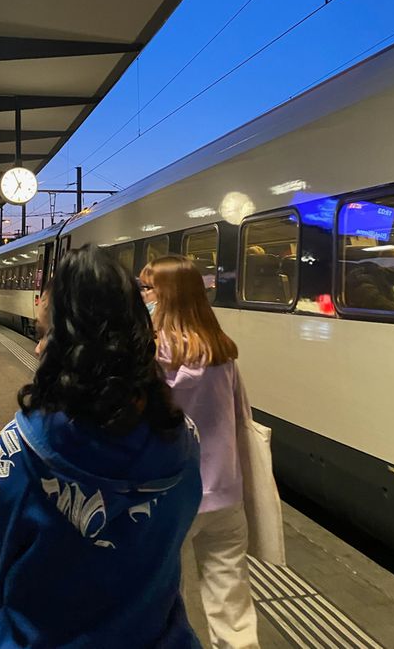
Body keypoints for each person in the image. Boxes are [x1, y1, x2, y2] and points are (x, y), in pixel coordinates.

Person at [0, 245, 202, 649]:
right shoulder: (184, 439)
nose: (38, 348)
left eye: (45, 336)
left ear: (66, 347)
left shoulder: (18, 451)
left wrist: (4, 462)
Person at [142, 255, 260, 649]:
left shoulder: (153, 355)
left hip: (171, 497)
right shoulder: (221, 351)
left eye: (148, 290)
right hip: (226, 494)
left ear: (166, 295)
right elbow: (241, 417)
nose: (144, 298)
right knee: (232, 607)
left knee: (155, 599)